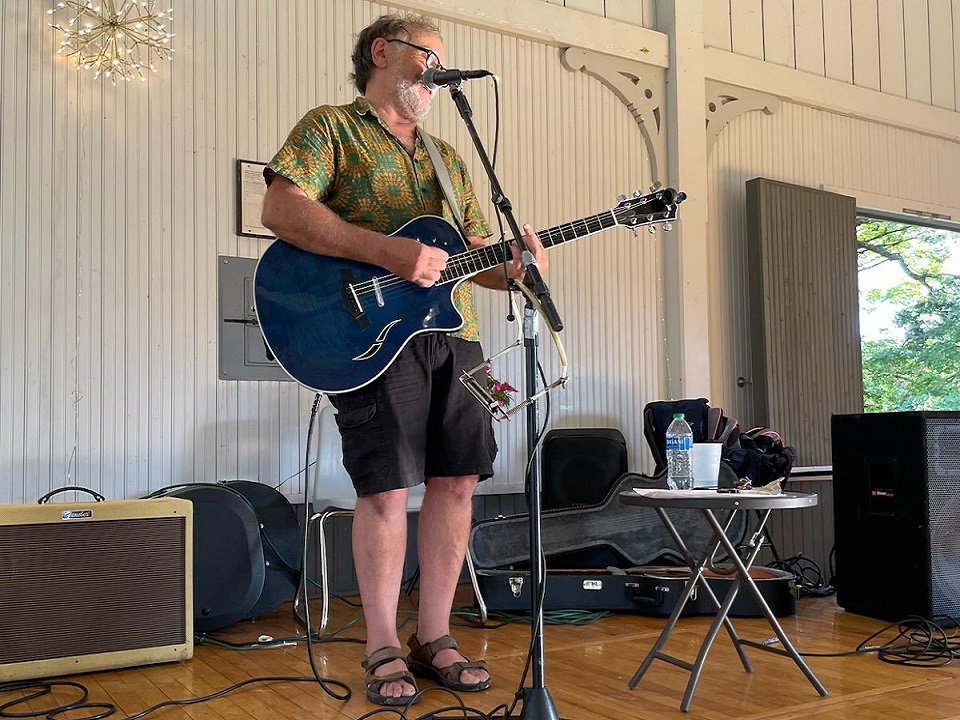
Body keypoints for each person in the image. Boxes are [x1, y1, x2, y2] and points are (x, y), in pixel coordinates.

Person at [259, 13, 547, 706]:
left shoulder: (449, 159)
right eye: (429, 55)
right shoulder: (331, 127)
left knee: (460, 482)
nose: (438, 70)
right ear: (381, 52)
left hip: (463, 339)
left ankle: (437, 634)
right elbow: (280, 209)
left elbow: (475, 258)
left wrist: (513, 265)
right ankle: (383, 642)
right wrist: (388, 252)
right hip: (371, 340)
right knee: (385, 488)